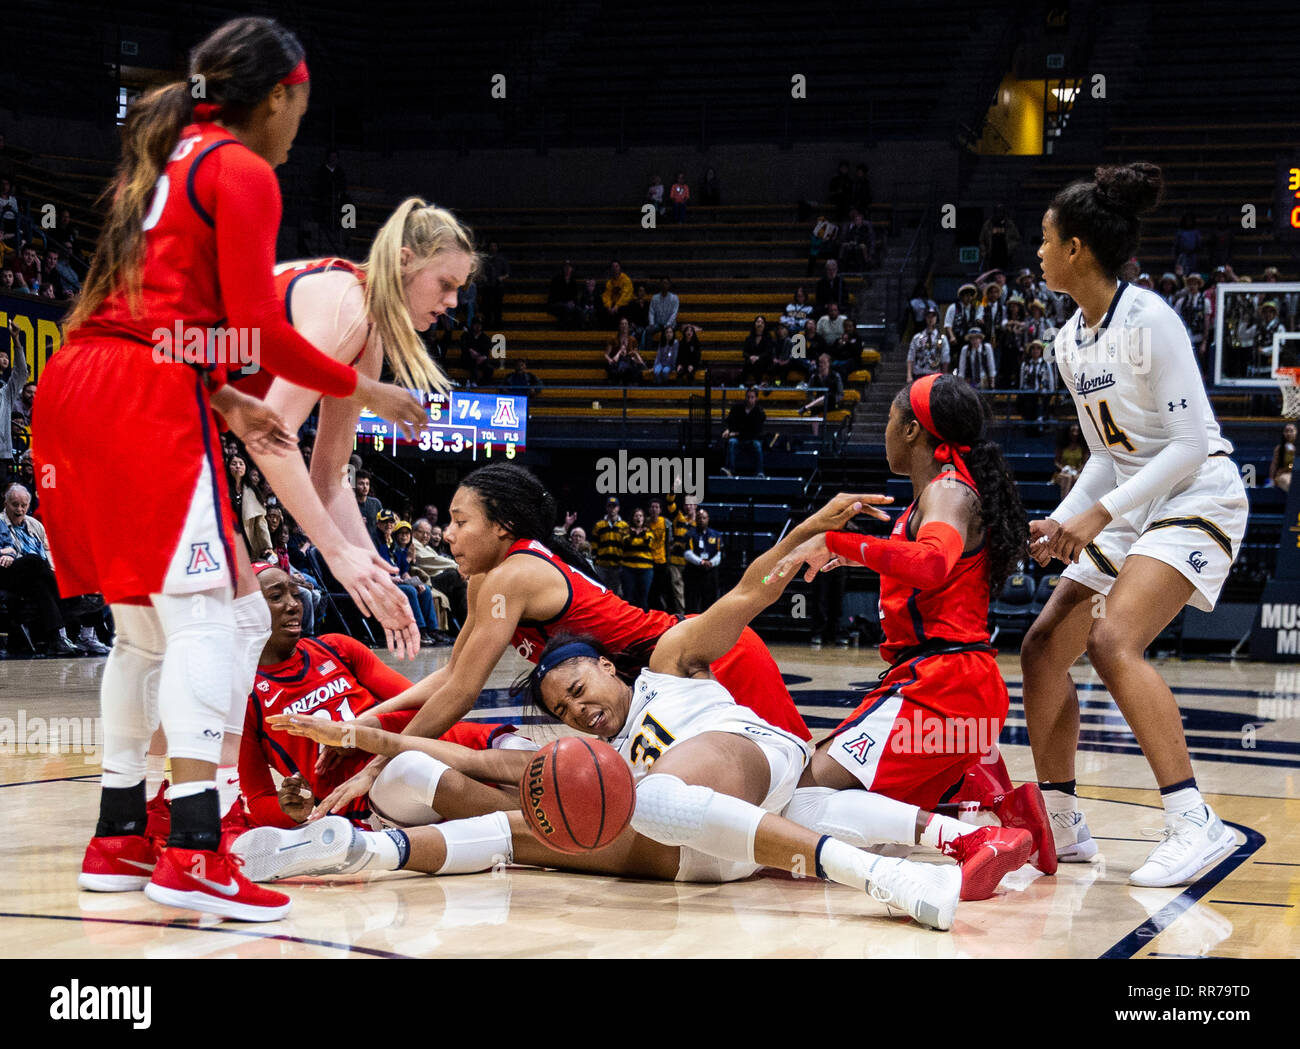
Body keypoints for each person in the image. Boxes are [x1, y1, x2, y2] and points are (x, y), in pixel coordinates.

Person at [29, 16, 426, 923]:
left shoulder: (159, 167)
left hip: (79, 386)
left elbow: (172, 326)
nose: (298, 130)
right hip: (143, 398)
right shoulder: (239, 167)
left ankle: (121, 836)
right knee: (223, 615)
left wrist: (232, 397)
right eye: (301, 107)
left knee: (142, 635)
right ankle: (196, 851)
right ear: (280, 96)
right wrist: (364, 388)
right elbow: (260, 326)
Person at [237, 493, 993, 931]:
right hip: (701, 848)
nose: (579, 708)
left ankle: (882, 880)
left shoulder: (664, 659)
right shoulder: (595, 754)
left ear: (605, 663)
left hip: (745, 733)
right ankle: (365, 854)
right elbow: (475, 740)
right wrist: (370, 742)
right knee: (527, 817)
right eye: (564, 706)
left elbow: (745, 594)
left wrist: (813, 536)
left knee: (653, 797)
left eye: (580, 688)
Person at [307, 464, 811, 815]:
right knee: (680, 801)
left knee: (797, 784)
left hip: (709, 660)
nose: (448, 535)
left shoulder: (512, 577)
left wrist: (377, 764)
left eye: (461, 522)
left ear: (503, 526)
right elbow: (452, 674)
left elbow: (461, 695)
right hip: (658, 683)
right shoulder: (488, 580)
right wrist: (370, 718)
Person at [1021, 162, 1248, 886]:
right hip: (1132, 498)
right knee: (1042, 646)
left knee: (1114, 638)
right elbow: (1102, 454)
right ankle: (1061, 822)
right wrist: (1062, 520)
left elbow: (1184, 445)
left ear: (1078, 248)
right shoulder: (1068, 341)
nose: (1039, 251)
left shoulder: (1150, 319)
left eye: (1047, 239)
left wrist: (1097, 513)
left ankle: (1192, 819)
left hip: (1197, 489)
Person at [765, 374, 1051, 878]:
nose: (886, 433)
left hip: (939, 686)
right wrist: (859, 559)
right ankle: (1004, 807)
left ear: (914, 431)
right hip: (965, 689)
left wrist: (839, 543)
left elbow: (933, 563)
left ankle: (978, 834)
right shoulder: (945, 494)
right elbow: (931, 568)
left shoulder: (947, 492)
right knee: (871, 840)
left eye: (891, 422)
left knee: (803, 800)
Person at [237, 562, 529, 830]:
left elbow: (427, 707)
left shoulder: (336, 647)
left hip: (421, 745)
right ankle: (537, 825)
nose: (293, 605)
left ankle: (537, 822)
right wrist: (290, 810)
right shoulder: (243, 698)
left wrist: (362, 731)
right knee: (414, 770)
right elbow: (258, 798)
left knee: (528, 754)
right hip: (369, 795)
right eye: (276, 597)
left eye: (295, 594)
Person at [0, 482, 87, 655]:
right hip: (10, 571)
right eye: (15, 505)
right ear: (6, 504)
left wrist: (57, 571)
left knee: (41, 583)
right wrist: (4, 552)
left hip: (36, 575)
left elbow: (47, 552)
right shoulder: (0, 522)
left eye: (24, 505)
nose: (19, 510)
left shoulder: (35, 525)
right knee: (33, 560)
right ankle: (69, 598)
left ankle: (57, 640)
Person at [721, 385, 766, 477]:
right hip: (738, 439)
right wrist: (727, 429)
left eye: (752, 397)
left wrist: (735, 433)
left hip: (751, 439)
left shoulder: (760, 412)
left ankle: (760, 472)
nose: (749, 399)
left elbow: (754, 432)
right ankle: (730, 470)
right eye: (748, 397)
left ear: (756, 399)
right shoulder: (737, 408)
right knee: (731, 443)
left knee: (758, 445)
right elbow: (729, 421)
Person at [684, 507, 722, 612]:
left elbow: (719, 554)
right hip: (694, 572)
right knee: (693, 602)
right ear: (696, 519)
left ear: (708, 519)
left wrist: (711, 563)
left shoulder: (716, 535)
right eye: (699, 518)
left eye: (704, 518)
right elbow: (687, 553)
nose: (702, 520)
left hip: (710, 572)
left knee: (710, 602)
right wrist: (701, 562)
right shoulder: (689, 534)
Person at [591, 496, 628, 594]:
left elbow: (626, 546)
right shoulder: (599, 525)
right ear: (607, 508)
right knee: (600, 590)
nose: (612, 509)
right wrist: (595, 560)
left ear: (618, 508)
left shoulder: (624, 526)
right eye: (610, 506)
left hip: (617, 565)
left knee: (616, 593)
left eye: (614, 506)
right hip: (602, 565)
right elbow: (594, 544)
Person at [619, 507, 654, 611]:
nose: (638, 518)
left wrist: (641, 536)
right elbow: (625, 543)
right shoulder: (626, 531)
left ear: (644, 518)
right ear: (632, 518)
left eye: (640, 516)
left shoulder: (648, 532)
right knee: (628, 597)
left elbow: (649, 543)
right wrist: (633, 536)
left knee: (643, 597)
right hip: (629, 569)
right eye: (636, 516)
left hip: (645, 569)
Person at [907, 307, 949, 382]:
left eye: (933, 316)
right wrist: (909, 375)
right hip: (919, 374)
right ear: (925, 318)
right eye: (928, 316)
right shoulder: (917, 338)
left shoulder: (942, 339)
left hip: (935, 375)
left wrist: (944, 376)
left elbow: (945, 359)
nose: (931, 319)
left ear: (936, 318)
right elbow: (911, 357)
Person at [1052, 423, 1088, 500]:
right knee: (1067, 477)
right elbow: (1056, 462)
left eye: (1077, 431)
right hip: (1063, 472)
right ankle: (1064, 503)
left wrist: (1077, 471)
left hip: (1077, 472)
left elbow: (1085, 463)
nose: (1075, 433)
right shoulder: (1062, 446)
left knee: (1077, 478)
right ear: (1068, 432)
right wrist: (1065, 468)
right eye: (1073, 431)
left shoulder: (1083, 447)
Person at [739, 315, 772, 386]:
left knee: (758, 363)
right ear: (754, 324)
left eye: (762, 322)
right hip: (751, 361)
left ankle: (758, 383)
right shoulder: (749, 338)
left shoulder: (768, 338)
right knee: (747, 363)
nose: (760, 324)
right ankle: (741, 384)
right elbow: (744, 353)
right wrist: (750, 357)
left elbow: (768, 352)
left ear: (765, 325)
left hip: (764, 362)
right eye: (758, 322)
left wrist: (758, 357)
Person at [546, 261, 580, 328]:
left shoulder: (573, 281)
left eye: (569, 267)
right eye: (566, 267)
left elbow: (575, 296)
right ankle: (562, 330)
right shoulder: (556, 280)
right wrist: (566, 303)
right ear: (563, 268)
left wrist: (573, 302)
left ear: (572, 269)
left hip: (567, 305)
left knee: (578, 310)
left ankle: (576, 331)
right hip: (556, 304)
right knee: (565, 309)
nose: (567, 269)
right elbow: (554, 296)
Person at [647, 277, 678, 348]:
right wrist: (651, 323)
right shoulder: (655, 298)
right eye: (663, 283)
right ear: (660, 284)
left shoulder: (674, 298)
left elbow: (674, 313)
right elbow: (651, 311)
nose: (664, 285)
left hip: (670, 324)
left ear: (669, 285)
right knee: (648, 330)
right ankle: (648, 351)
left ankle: (669, 350)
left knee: (669, 331)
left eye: (666, 283)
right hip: (658, 324)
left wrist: (668, 324)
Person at [601, 260, 633, 324]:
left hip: (624, 305)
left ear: (620, 268)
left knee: (625, 309)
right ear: (611, 269)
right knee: (603, 310)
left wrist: (617, 306)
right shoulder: (609, 283)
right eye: (613, 267)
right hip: (614, 305)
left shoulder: (626, 279)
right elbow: (606, 296)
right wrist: (609, 307)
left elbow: (626, 295)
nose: (615, 268)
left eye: (616, 266)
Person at [1269, 421, 1295, 492]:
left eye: (1291, 431)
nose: (1288, 433)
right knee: (1290, 483)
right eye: (1286, 431)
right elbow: (1274, 464)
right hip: (1283, 474)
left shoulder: (1297, 448)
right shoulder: (1279, 449)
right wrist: (1271, 479)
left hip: (1296, 474)